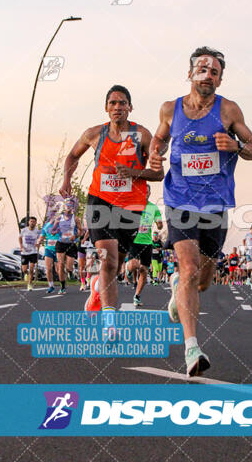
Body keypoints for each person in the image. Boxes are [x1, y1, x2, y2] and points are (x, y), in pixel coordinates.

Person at [149, 46, 252, 376]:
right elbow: (158, 141)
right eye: (202, 69)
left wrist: (237, 146)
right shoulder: (170, 109)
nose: (208, 75)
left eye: (214, 72)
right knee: (189, 266)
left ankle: (178, 291)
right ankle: (192, 350)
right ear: (189, 73)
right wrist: (155, 155)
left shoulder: (229, 111)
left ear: (220, 78)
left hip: (215, 203)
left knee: (203, 279)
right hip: (179, 199)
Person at [59, 85, 163, 338]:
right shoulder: (94, 134)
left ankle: (96, 289)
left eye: (122, 103)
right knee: (108, 259)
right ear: (106, 107)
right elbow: (72, 156)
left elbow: (158, 173)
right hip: (100, 201)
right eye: (113, 103)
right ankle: (109, 324)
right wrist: (66, 180)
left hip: (132, 205)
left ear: (130, 107)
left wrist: (134, 172)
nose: (118, 107)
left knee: (118, 264)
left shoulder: (142, 135)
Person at [126, 186, 164, 306]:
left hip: (147, 243)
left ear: (149, 193)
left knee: (144, 270)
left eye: (147, 192)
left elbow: (159, 223)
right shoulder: (133, 205)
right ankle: (128, 269)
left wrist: (159, 224)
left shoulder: (153, 208)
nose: (145, 194)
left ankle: (137, 296)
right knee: (134, 265)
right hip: (134, 240)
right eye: (143, 191)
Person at [51, 199, 82, 294]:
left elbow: (81, 231)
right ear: (64, 207)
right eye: (67, 206)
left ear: (73, 208)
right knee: (60, 265)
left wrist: (75, 236)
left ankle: (70, 272)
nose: (68, 208)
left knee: (68, 267)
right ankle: (63, 286)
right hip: (60, 244)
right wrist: (56, 231)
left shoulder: (76, 219)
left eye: (70, 206)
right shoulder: (59, 218)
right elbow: (52, 231)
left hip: (71, 244)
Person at [37, 217, 60, 293]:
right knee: (48, 268)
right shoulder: (46, 226)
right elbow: (42, 236)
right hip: (48, 249)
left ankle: (62, 284)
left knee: (58, 270)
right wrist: (39, 242)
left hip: (58, 250)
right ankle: (51, 286)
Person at [19, 216, 40, 290]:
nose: (32, 223)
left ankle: (29, 284)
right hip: (24, 252)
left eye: (34, 222)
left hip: (33, 252)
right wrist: (21, 246)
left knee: (31, 268)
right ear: (28, 222)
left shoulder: (37, 231)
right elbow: (20, 238)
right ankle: (25, 274)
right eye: (31, 221)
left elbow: (39, 239)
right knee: (24, 269)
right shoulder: (24, 230)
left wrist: (38, 244)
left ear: (35, 223)